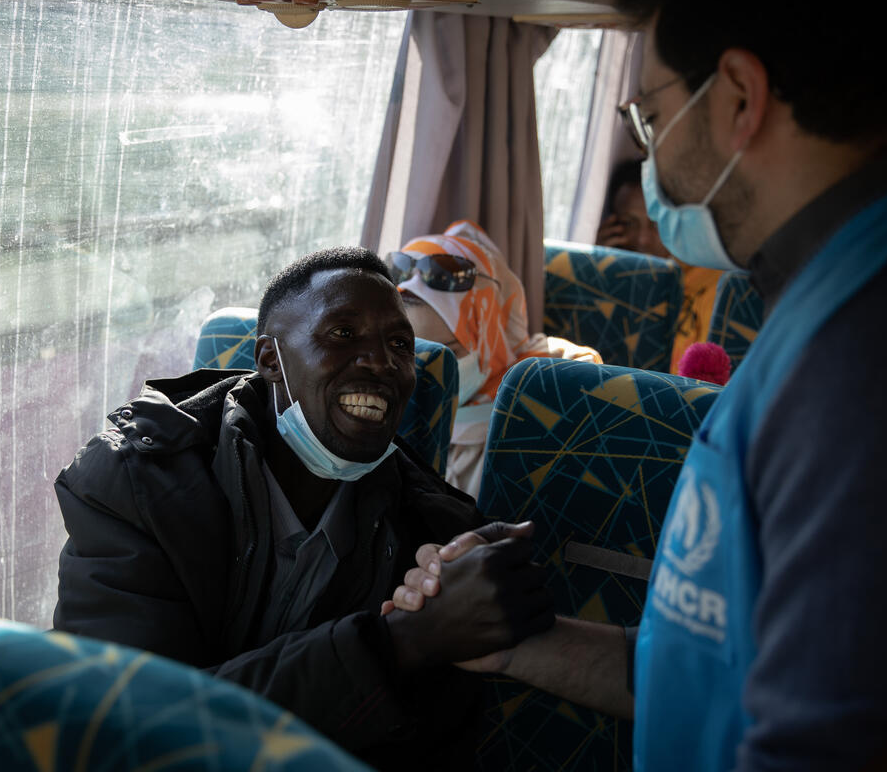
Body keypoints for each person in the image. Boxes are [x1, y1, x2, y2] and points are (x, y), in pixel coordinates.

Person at [385, 0, 887, 769]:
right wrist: (514, 645)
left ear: (740, 97)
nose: (651, 151)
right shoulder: (862, 284)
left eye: (650, 114)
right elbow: (719, 672)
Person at [52, 247, 554, 769]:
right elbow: (130, 727)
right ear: (271, 360)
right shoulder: (136, 482)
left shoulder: (435, 535)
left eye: (399, 345)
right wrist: (400, 643)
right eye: (343, 334)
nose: (381, 362)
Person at [388, 219, 601, 498]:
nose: (426, 373)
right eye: (407, 352)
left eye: (448, 354)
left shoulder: (553, 388)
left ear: (490, 337)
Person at [598, 157, 724, 376]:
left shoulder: (713, 284)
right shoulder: (600, 282)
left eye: (655, 224)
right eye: (629, 223)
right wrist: (600, 268)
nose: (643, 239)